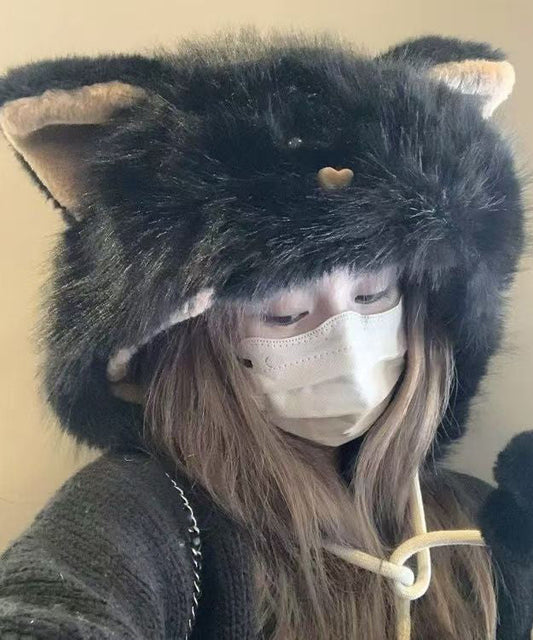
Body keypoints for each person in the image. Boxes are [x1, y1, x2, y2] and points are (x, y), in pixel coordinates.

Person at [0, 27, 531, 640]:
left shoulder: (484, 519)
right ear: (196, 338)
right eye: (283, 315)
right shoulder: (147, 514)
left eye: (372, 297)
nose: (347, 345)